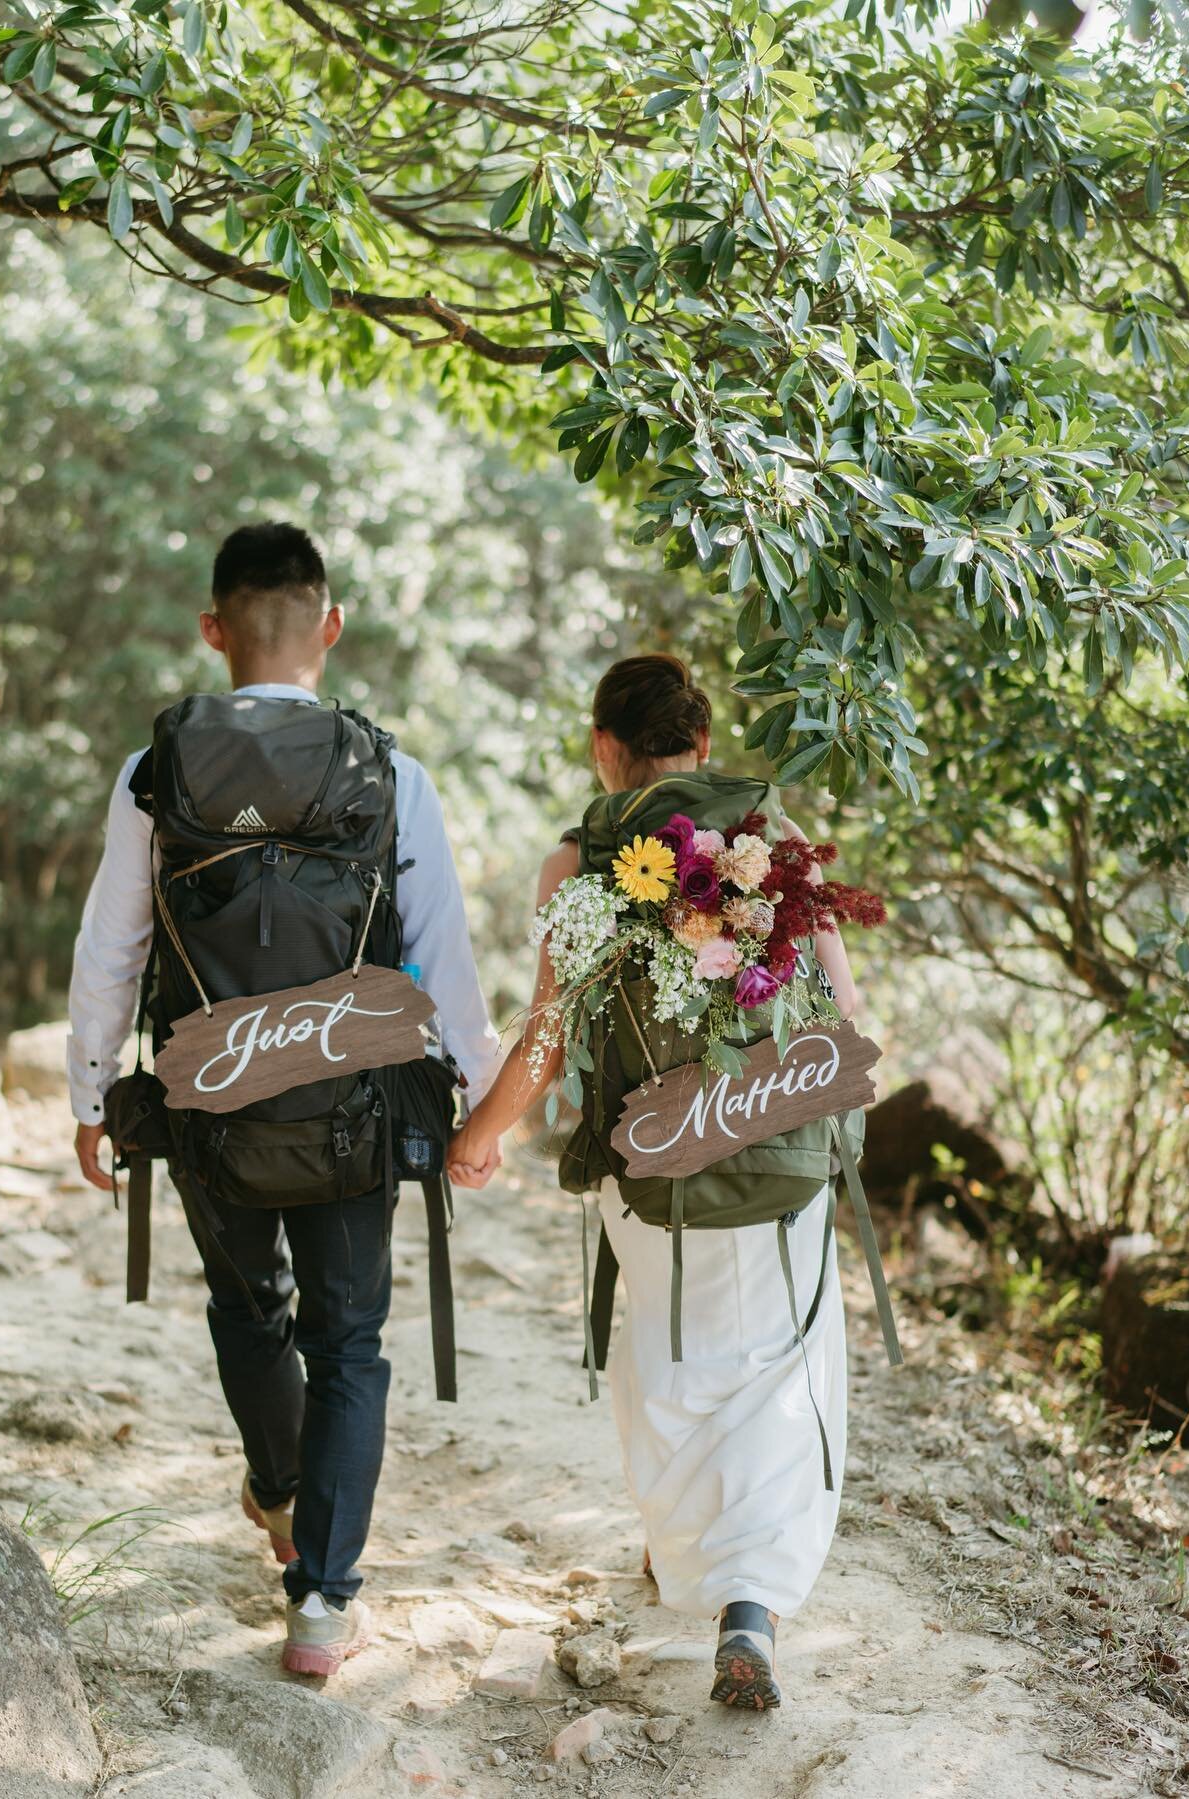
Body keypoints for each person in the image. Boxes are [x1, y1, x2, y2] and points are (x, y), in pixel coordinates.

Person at [68, 522, 500, 1676]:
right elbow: (444, 956)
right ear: (332, 624)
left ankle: (278, 1484)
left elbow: (112, 945)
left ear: (214, 628)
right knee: (347, 1338)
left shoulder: (156, 771)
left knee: (247, 1307)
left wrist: (91, 1090)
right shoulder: (390, 773)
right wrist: (482, 1097)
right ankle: (321, 1600)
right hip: (356, 1103)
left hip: (208, 1100)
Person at [447, 652, 859, 1712]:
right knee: (779, 1369)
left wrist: (480, 1134)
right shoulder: (771, 835)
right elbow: (845, 1013)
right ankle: (750, 1608)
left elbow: (549, 1037)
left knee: (673, 1357)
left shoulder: (579, 860)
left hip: (650, 1168)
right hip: (779, 1154)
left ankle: (682, 1548)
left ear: (604, 747)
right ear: (703, 742)